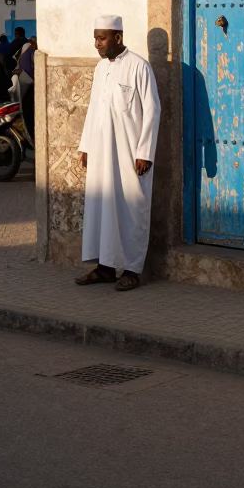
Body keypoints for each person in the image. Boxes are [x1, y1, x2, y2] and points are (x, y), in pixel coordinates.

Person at [75, 15, 160, 292]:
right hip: (101, 153)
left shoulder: (139, 67)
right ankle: (105, 268)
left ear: (118, 38)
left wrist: (145, 151)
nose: (97, 43)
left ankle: (133, 270)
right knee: (102, 209)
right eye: (96, 38)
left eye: (102, 38)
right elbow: (93, 110)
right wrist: (86, 145)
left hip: (129, 153)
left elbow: (152, 111)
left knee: (130, 209)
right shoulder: (101, 69)